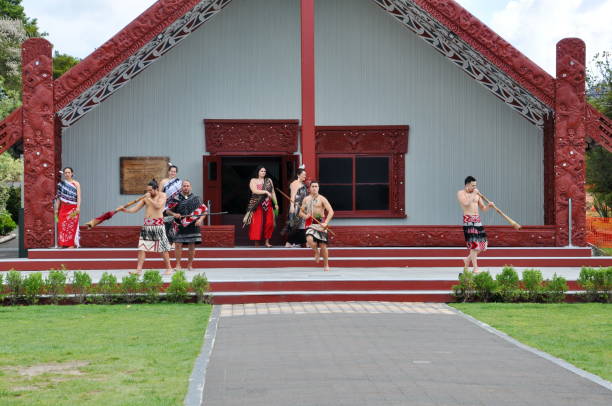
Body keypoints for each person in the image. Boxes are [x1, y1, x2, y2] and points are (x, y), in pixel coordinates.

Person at [117, 179, 173, 275]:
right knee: (141, 248)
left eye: (151, 190)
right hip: (147, 225)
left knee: (163, 248)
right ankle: (138, 270)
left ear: (156, 189)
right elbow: (135, 209)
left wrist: (149, 199)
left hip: (158, 225)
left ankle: (169, 268)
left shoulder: (162, 195)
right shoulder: (146, 197)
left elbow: (158, 206)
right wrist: (124, 210)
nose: (149, 192)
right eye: (147, 190)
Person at [457, 176, 495, 273]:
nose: (475, 187)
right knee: (474, 245)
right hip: (468, 220)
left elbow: (483, 208)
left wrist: (489, 206)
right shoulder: (461, 193)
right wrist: (474, 194)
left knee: (483, 245)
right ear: (467, 184)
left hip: (477, 220)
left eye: (475, 185)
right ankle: (475, 267)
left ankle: (467, 259)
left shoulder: (477, 195)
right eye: (473, 185)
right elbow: (466, 203)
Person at [165, 180, 206, 271]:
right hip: (179, 225)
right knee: (178, 245)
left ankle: (190, 265)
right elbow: (167, 211)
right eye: (184, 186)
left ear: (190, 187)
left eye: (187, 186)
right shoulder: (175, 198)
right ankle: (178, 265)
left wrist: (200, 219)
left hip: (193, 226)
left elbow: (204, 211)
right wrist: (174, 214)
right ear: (181, 187)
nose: (186, 187)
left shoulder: (196, 198)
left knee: (191, 245)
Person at [300, 181, 334, 271]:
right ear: (309, 188)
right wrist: (305, 216)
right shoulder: (306, 199)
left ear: (318, 188)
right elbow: (300, 212)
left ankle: (326, 265)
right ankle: (316, 251)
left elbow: (331, 211)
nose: (314, 188)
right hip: (311, 224)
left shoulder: (322, 199)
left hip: (321, 224)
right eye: (313, 186)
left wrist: (326, 222)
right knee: (309, 240)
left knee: (323, 246)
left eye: (316, 186)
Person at [243, 166, 278, 247]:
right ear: (258, 172)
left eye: (265, 171)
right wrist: (265, 191)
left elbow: (272, 192)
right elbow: (254, 191)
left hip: (268, 204)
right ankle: (257, 242)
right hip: (257, 204)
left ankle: (267, 241)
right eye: (262, 171)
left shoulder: (269, 180)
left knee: (270, 223)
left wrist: (276, 203)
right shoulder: (253, 180)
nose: (263, 172)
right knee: (257, 223)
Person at [54, 167, 81, 248]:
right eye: (65, 173)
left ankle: (71, 244)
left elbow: (79, 197)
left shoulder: (76, 184)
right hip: (63, 208)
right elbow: (58, 198)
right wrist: (56, 209)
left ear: (72, 173)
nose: (67, 174)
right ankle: (63, 244)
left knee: (71, 226)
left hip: (73, 208)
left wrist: (78, 207)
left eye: (69, 172)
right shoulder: (60, 185)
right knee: (62, 225)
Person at [285, 167, 308, 247]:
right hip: (296, 207)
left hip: (302, 208)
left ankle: (302, 242)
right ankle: (289, 243)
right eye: (303, 175)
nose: (305, 176)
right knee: (295, 225)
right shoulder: (295, 183)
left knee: (301, 225)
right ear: (298, 175)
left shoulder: (303, 184)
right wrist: (292, 206)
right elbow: (292, 196)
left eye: (305, 174)